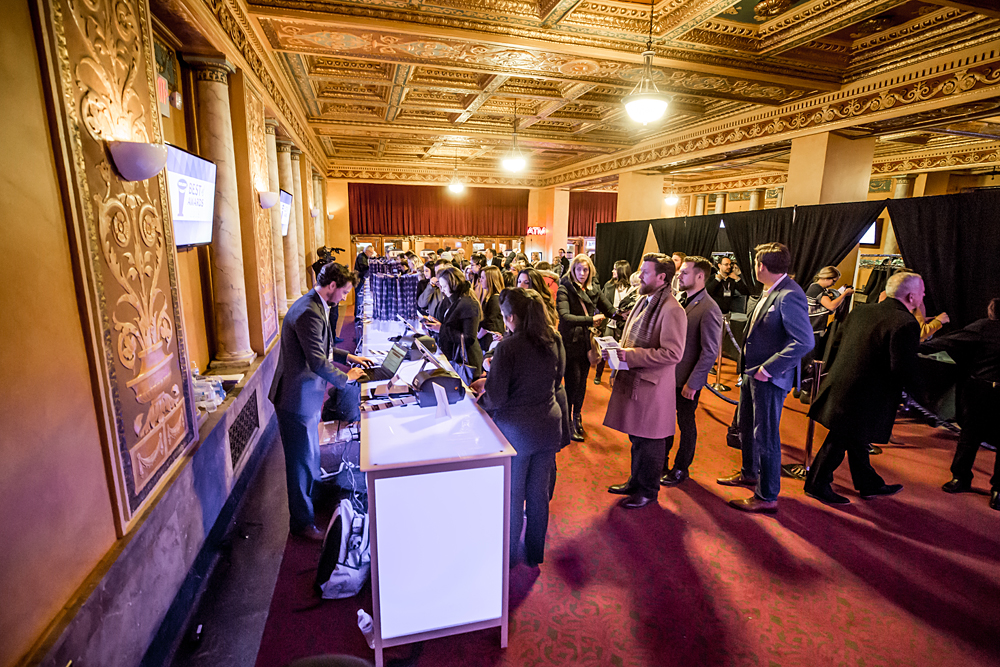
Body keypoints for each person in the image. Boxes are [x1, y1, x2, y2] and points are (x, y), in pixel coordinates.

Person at [268, 263, 374, 540]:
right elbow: (316, 361)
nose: (345, 297)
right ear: (331, 286)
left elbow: (321, 347)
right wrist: (347, 378)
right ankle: (302, 524)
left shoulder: (313, 304)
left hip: (306, 397)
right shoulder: (308, 312)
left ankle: (311, 506)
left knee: (310, 457)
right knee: (301, 463)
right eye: (345, 291)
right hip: (297, 398)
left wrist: (348, 357)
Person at [803, 272, 926, 505]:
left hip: (842, 382)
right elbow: (902, 368)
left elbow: (838, 342)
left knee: (854, 438)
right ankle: (816, 484)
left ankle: (869, 484)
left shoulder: (861, 311)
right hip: (867, 394)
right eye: (922, 292)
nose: (924, 296)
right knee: (841, 437)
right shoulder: (905, 322)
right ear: (911, 296)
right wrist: (923, 398)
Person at [470, 288, 570, 566]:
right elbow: (557, 377)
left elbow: (497, 397)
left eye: (504, 317)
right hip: (549, 424)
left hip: (516, 431)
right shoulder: (554, 338)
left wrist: (481, 397)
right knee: (538, 495)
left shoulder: (508, 347)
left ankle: (510, 556)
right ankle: (535, 552)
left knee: (513, 497)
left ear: (511, 317)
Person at [718, 242, 813, 514]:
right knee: (746, 427)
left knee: (766, 435)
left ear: (762, 265)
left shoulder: (789, 294)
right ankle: (749, 472)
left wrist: (769, 368)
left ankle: (767, 495)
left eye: (757, 263)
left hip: (770, 377)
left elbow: (803, 342)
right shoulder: (771, 290)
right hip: (752, 373)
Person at [603, 253, 687, 509]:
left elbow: (673, 353)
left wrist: (630, 355)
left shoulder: (672, 309)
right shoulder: (645, 300)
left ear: (662, 277)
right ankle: (635, 482)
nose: (639, 275)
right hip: (636, 379)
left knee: (650, 441)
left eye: (645, 272)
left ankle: (648, 491)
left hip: (652, 386)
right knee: (637, 438)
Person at [922, 297, 1000, 510]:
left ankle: (962, 478)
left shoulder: (984, 326)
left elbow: (950, 341)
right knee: (972, 436)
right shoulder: (984, 327)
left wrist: (917, 344)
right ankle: (993, 489)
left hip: (979, 389)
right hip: (981, 389)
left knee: (969, 436)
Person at [661, 256, 723, 486]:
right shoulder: (681, 299)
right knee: (665, 421)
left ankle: (681, 468)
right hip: (669, 375)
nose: (679, 275)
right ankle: (662, 463)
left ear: (700, 276)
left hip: (687, 380)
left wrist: (694, 383)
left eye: (684, 272)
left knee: (686, 424)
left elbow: (709, 352)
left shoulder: (709, 308)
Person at [557, 254, 615, 441]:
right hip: (570, 343)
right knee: (572, 382)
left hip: (586, 343)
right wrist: (591, 319)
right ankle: (567, 420)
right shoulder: (565, 288)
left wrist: (623, 314)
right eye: (578, 269)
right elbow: (565, 317)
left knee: (582, 384)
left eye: (585, 269)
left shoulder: (594, 288)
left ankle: (576, 416)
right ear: (572, 270)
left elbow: (609, 310)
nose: (582, 273)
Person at [424, 266, 484, 379]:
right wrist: (437, 325)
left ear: (453, 285)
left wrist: (441, 329)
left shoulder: (468, 303)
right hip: (453, 356)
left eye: (444, 286)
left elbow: (469, 338)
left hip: (466, 359)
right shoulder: (451, 300)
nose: (442, 290)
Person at [594, 260, 635, 385]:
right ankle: (598, 375)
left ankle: (616, 376)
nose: (612, 271)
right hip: (608, 322)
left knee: (620, 350)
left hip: (623, 323)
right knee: (604, 348)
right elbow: (601, 304)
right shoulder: (608, 285)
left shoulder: (632, 289)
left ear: (622, 271)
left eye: (615, 269)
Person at [477, 265, 505, 352]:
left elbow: (488, 324)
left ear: (490, 280)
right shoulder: (489, 297)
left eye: (483, 278)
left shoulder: (494, 299)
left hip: (490, 341)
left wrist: (476, 338)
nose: (480, 280)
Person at [353, 244, 375, 318]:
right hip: (358, 279)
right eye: (371, 252)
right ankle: (358, 315)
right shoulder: (362, 257)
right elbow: (364, 267)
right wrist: (372, 266)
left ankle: (358, 314)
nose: (372, 254)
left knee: (360, 296)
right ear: (367, 251)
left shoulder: (363, 256)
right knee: (359, 297)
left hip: (359, 278)